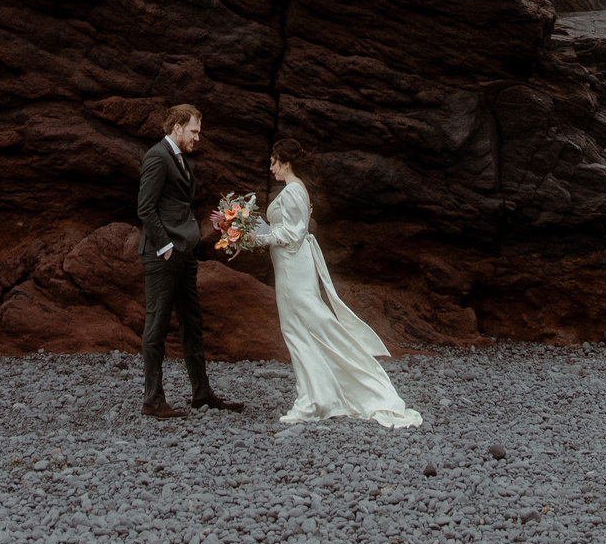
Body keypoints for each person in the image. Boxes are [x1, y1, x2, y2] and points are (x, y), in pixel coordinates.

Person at [255, 139, 422, 427]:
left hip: (293, 266)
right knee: (302, 328)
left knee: (303, 328)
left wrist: (257, 237)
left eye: (274, 162)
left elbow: (293, 234)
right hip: (291, 265)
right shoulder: (295, 188)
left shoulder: (293, 190)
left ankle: (314, 399)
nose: (270, 167)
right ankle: (317, 395)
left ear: (287, 163)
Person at [136, 103, 244, 419]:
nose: (198, 137)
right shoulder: (157, 157)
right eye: (194, 131)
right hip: (164, 256)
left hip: (184, 254)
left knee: (192, 324)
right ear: (177, 127)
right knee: (156, 325)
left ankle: (201, 394)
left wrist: (212, 226)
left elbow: (176, 206)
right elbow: (145, 208)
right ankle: (152, 400)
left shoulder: (180, 159)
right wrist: (166, 246)